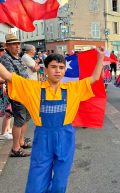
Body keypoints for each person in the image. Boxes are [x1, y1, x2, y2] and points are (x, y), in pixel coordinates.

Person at [0, 47, 104, 193]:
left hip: (65, 135)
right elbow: (7, 75)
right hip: (43, 136)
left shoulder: (73, 88)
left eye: (61, 67)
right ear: (45, 69)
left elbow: (94, 78)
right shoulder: (33, 88)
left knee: (60, 182)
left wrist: (100, 58)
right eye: (53, 67)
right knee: (36, 180)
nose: (58, 71)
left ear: (64, 71)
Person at [0, 34, 32, 157]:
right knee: (19, 120)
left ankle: (21, 141)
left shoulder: (17, 57)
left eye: (18, 43)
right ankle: (16, 148)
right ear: (7, 46)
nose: (18, 46)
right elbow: (12, 76)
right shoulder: (5, 58)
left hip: (26, 91)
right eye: (14, 43)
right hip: (17, 92)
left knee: (26, 117)